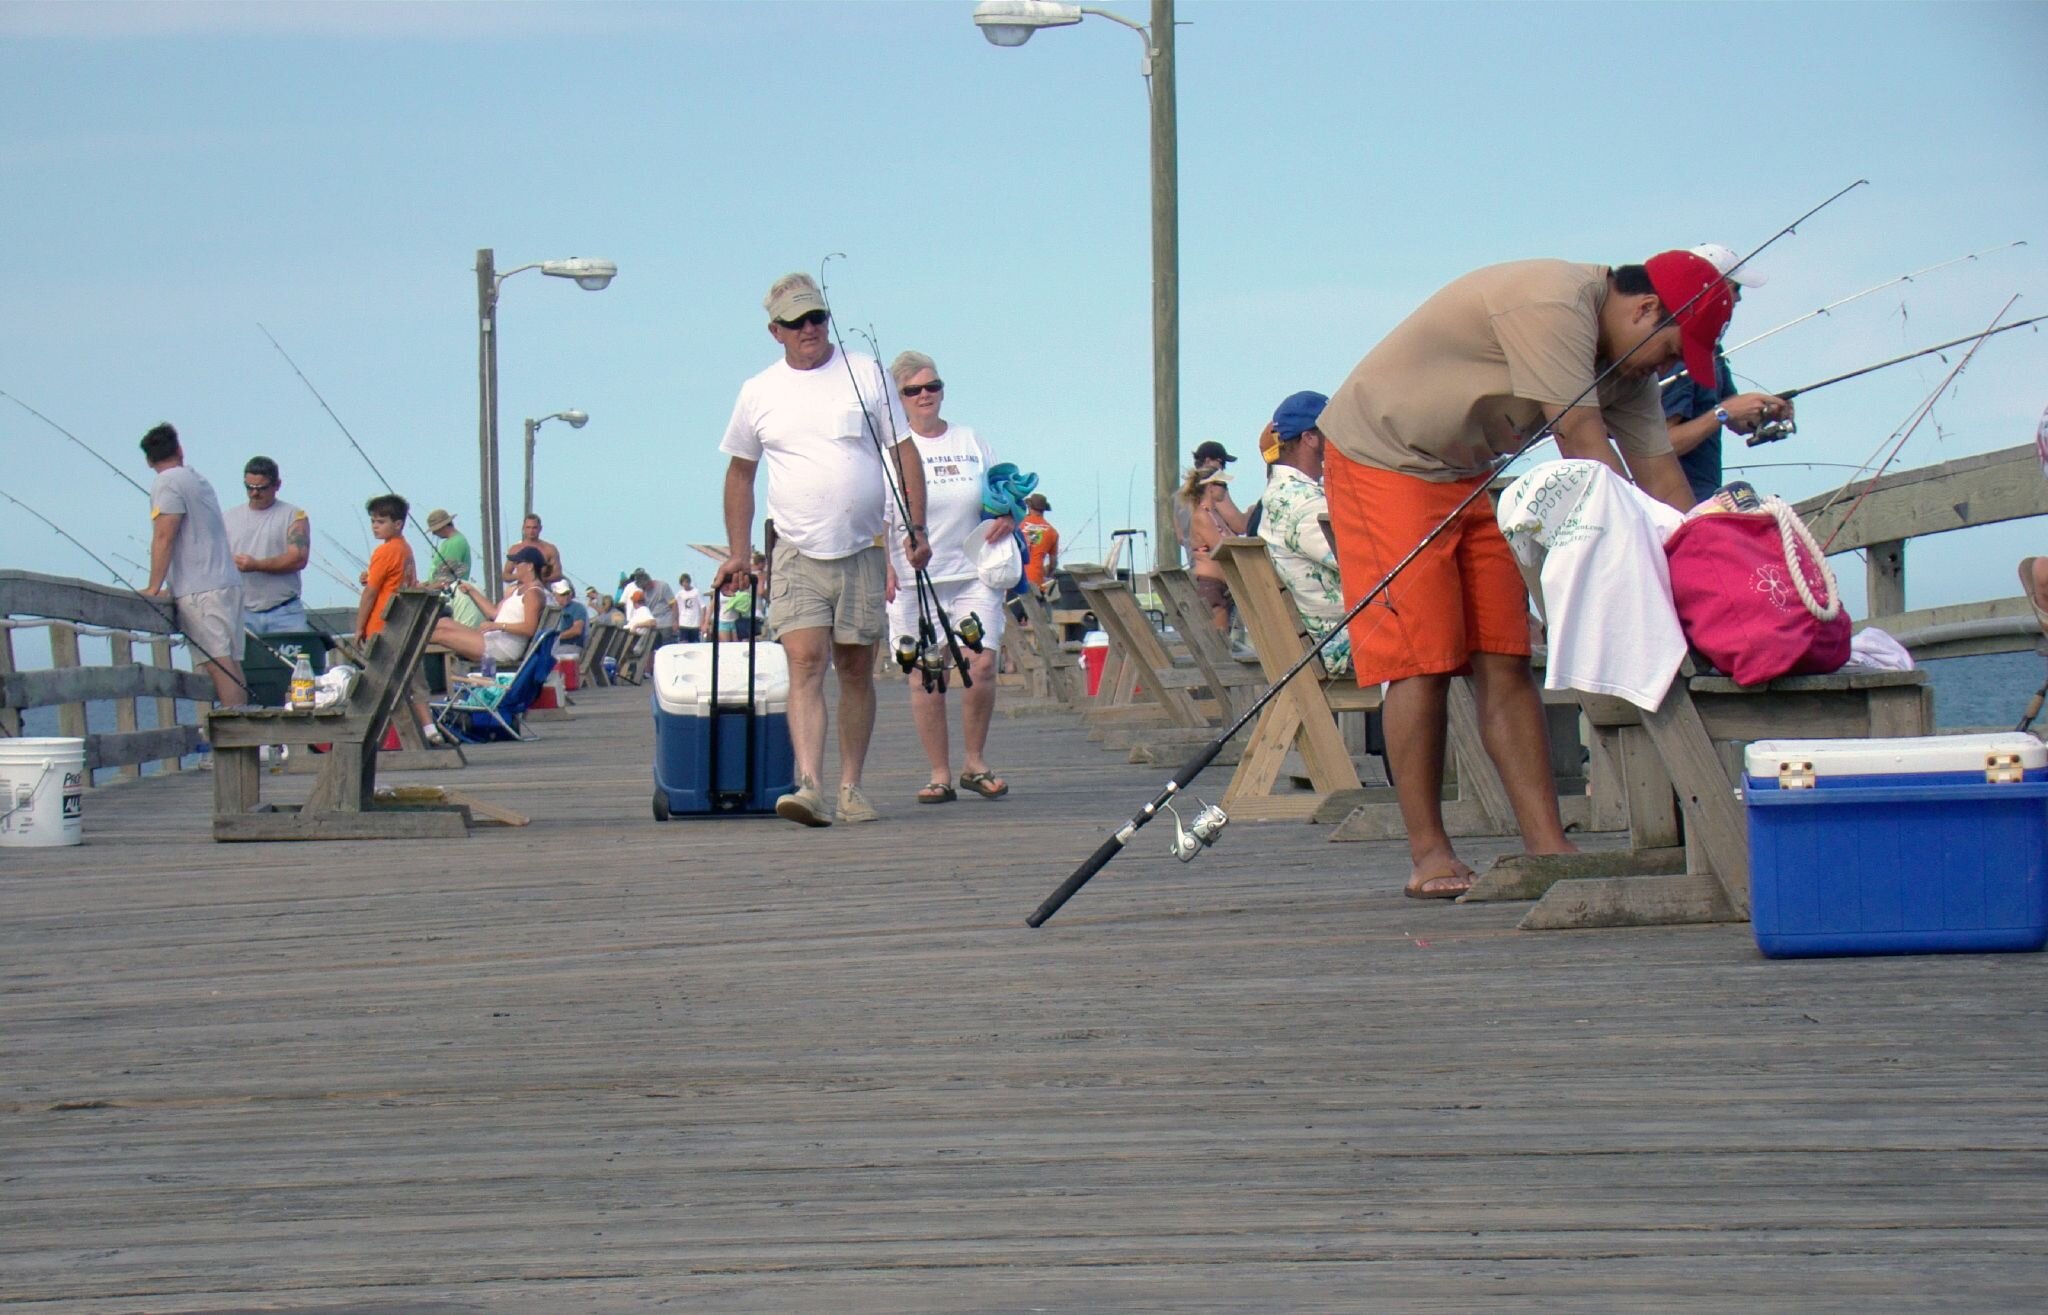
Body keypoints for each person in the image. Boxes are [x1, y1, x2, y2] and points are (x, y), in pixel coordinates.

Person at [1316, 250, 1732, 898]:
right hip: (1383, 455)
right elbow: (1585, 449)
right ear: (1647, 308)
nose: (1675, 369)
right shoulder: (1557, 303)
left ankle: (1547, 843)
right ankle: (1429, 853)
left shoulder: (1628, 367)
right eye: (1677, 349)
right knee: (1422, 658)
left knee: (1504, 653)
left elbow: (1661, 476)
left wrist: (1714, 557)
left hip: (1465, 471)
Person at [715, 271, 929, 826]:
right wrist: (739, 552)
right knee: (804, 661)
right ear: (775, 331)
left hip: (861, 547)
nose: (809, 329)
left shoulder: (865, 372)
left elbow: (903, 452)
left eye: (817, 318)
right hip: (794, 549)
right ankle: (807, 783)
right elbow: (740, 475)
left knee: (855, 666)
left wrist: (917, 528)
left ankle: (851, 787)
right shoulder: (758, 391)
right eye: (796, 322)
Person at [882, 350, 1015, 804]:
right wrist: (883, 565)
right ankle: (938, 772)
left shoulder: (970, 439)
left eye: (932, 387)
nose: (925, 396)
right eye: (913, 390)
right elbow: (874, 515)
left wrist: (1010, 518)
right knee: (925, 673)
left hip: (973, 570)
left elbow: (1005, 492)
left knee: (980, 663)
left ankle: (974, 763)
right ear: (898, 398)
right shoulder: (890, 452)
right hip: (912, 576)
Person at [1662, 242, 1796, 503]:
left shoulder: (1710, 349)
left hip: (1702, 497)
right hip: (1672, 504)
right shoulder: (1677, 354)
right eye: (1736, 289)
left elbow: (1734, 418)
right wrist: (1724, 414)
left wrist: (1764, 411)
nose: (1739, 299)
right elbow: (1662, 446)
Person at [139, 424, 247, 707]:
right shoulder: (197, 479)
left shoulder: (166, 483)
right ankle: (248, 734)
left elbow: (165, 534)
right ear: (179, 450)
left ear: (149, 460)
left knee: (217, 664)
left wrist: (154, 586)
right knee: (232, 664)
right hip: (226, 582)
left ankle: (239, 736)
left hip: (201, 589)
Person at [1254, 391, 1349, 676]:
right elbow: (1367, 564)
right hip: (1343, 645)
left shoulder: (1280, 495)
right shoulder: (1304, 504)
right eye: (1333, 432)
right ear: (1310, 438)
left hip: (1318, 641)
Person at [353, 492, 441, 741]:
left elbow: (371, 593)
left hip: (383, 628)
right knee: (416, 682)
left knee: (375, 687)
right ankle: (429, 729)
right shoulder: (405, 550)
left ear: (398, 524)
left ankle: (370, 736)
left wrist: (359, 627)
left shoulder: (385, 552)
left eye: (380, 522)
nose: (374, 527)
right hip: (405, 627)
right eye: (372, 521)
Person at [223, 456, 310, 637]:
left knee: (297, 663)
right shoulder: (227, 518)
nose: (255, 493)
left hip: (285, 611)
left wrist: (256, 565)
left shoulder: (294, 515)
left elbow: (298, 558)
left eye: (262, 488)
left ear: (277, 485)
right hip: (242, 611)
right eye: (249, 488)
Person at [435, 544, 545, 669]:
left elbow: (529, 628)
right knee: (443, 622)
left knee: (440, 635)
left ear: (530, 566)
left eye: (518, 563)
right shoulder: (518, 590)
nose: (514, 567)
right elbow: (494, 614)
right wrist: (471, 591)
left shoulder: (534, 593)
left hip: (503, 648)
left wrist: (496, 626)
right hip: (493, 639)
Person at [1178, 440, 1248, 629]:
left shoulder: (1208, 513)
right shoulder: (1202, 515)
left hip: (1218, 586)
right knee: (1221, 648)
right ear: (1211, 487)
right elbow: (1222, 549)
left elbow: (1179, 536)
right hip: (1211, 587)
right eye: (1222, 484)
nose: (1226, 488)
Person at [425, 508, 487, 627]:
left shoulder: (455, 543)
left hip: (451, 596)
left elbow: (448, 577)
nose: (434, 534)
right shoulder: (453, 541)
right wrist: (426, 583)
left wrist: (426, 590)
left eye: (435, 530)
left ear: (442, 527)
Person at [509, 513, 564, 585]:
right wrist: (520, 576)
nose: (531, 531)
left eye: (534, 527)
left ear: (540, 528)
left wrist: (540, 579)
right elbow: (505, 574)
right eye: (528, 527)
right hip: (521, 588)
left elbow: (558, 574)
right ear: (523, 528)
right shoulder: (515, 549)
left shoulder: (550, 549)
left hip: (542, 589)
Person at [1020, 491, 1059, 590]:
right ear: (1044, 509)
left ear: (1029, 507)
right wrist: (1048, 574)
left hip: (1015, 579)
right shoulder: (1052, 532)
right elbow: (1053, 563)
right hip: (1036, 582)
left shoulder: (1017, 524)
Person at [631, 568, 677, 646]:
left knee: (667, 647)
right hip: (653, 627)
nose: (644, 589)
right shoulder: (644, 592)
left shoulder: (663, 586)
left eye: (644, 587)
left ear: (648, 582)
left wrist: (675, 621)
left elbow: (674, 605)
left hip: (666, 624)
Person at [551, 579, 588, 654]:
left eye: (568, 593)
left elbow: (577, 630)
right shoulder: (554, 609)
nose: (566, 596)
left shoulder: (577, 607)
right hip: (557, 645)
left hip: (570, 645)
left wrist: (560, 636)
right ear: (555, 595)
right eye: (563, 594)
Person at [677, 573, 706, 643]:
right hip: (683, 622)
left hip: (695, 623)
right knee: (684, 643)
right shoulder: (679, 594)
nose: (685, 584)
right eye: (683, 582)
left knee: (695, 643)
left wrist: (702, 622)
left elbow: (703, 607)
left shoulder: (696, 592)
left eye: (686, 582)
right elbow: (675, 606)